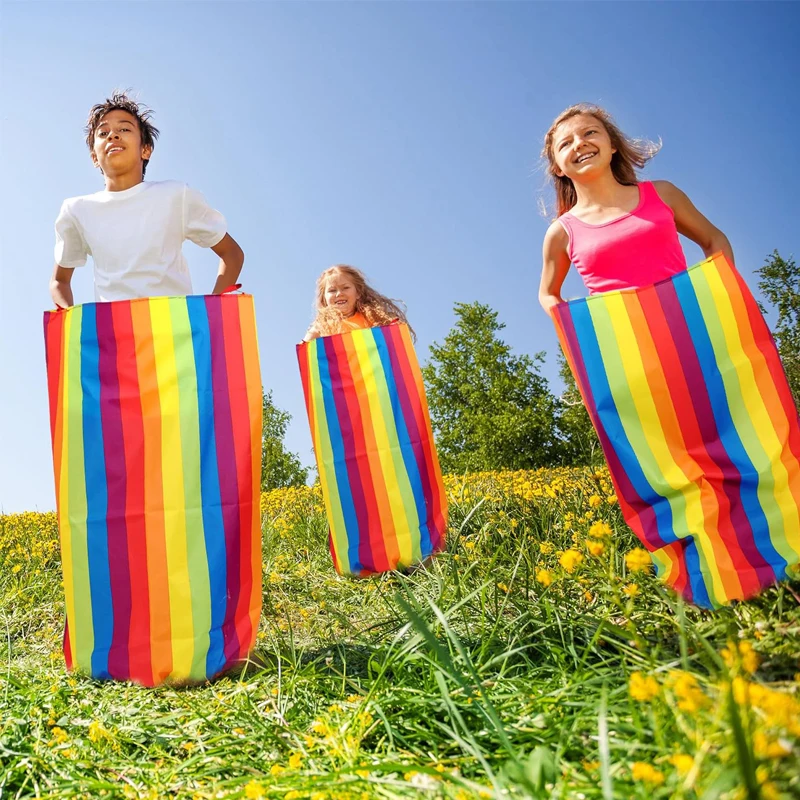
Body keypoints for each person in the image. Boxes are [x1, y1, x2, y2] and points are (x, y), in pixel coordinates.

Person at [50, 91, 244, 306]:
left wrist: (211, 309)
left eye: (124, 129)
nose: (113, 135)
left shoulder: (175, 195)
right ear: (95, 157)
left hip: (174, 334)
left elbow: (231, 254)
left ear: (146, 150)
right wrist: (70, 317)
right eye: (103, 133)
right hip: (113, 335)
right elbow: (59, 280)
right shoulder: (76, 210)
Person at [538, 103, 733, 315]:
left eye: (590, 132)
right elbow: (547, 294)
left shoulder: (663, 194)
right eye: (565, 143)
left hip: (689, 321)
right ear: (557, 168)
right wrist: (576, 326)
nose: (580, 143)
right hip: (622, 342)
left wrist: (721, 295)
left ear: (612, 145)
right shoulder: (561, 233)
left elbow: (714, 239)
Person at [303, 264, 413, 341]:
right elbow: (305, 350)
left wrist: (393, 326)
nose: (339, 294)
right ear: (324, 299)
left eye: (345, 288)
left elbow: (393, 339)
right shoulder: (323, 326)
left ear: (358, 293)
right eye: (332, 290)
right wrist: (314, 332)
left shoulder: (371, 319)